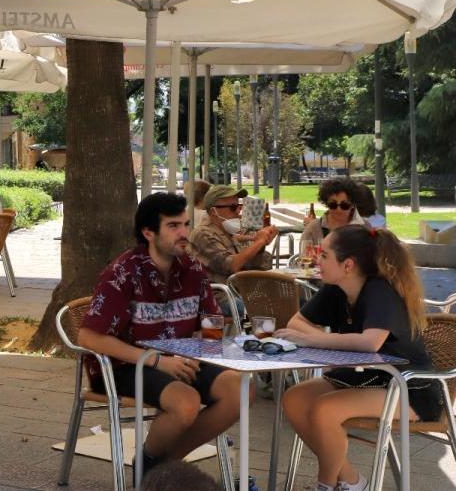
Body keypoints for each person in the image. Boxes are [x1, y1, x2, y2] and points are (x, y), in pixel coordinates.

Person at [79, 192, 248, 476]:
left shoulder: (192, 268)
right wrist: (156, 360)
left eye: (185, 224)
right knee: (186, 402)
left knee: (240, 389)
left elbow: (211, 322)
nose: (184, 233)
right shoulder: (122, 273)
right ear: (148, 233)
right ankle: (153, 467)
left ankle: (162, 465)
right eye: (173, 226)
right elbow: (88, 337)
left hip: (181, 359)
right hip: (125, 364)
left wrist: (201, 348)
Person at [279, 225, 444, 491]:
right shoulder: (336, 289)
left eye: (324, 256)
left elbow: (371, 342)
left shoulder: (380, 291)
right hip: (367, 378)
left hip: (411, 388)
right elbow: (295, 323)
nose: (315, 261)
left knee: (325, 409)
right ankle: (353, 482)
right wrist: (319, 340)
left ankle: (327, 485)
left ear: (348, 265)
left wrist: (317, 340)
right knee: (295, 399)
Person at [189, 185, 277, 286]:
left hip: (239, 291)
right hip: (221, 296)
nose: (238, 211)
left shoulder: (226, 231)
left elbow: (248, 263)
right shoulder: (203, 234)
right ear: (214, 211)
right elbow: (232, 265)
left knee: (295, 294)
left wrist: (262, 242)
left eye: (239, 206)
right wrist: (259, 241)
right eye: (233, 207)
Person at [300, 177, 366, 246]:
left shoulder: (364, 228)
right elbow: (304, 255)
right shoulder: (313, 229)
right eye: (333, 205)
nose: (338, 209)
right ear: (326, 204)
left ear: (353, 204)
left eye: (344, 205)